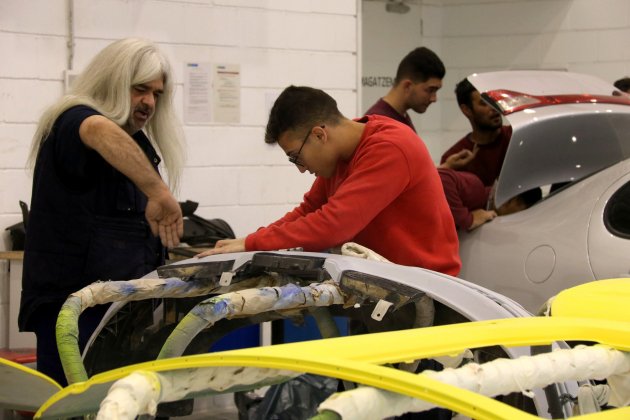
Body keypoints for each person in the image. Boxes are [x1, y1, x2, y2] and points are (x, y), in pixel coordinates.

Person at [19, 38, 186, 386]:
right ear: (112, 82)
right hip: (73, 312)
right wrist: (158, 191)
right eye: (140, 90)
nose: (149, 103)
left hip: (117, 309)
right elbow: (95, 127)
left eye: (156, 94)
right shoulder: (71, 122)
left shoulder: (135, 144)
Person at [198, 85, 460, 276]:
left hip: (428, 287)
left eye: (295, 157)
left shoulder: (390, 148)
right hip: (385, 283)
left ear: (319, 135)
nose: (301, 170)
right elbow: (309, 211)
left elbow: (333, 225)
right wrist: (250, 241)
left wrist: (252, 243)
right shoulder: (340, 156)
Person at [440, 78, 512, 186]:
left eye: (494, 100)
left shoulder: (515, 137)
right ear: (466, 110)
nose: (494, 108)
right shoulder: (454, 159)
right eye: (484, 103)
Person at [364, 47, 445, 132]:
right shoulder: (378, 123)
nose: (434, 98)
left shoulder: (401, 116)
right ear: (407, 86)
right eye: (430, 90)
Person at [437, 164, 541, 231]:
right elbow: (442, 178)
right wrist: (468, 220)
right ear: (511, 201)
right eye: (521, 212)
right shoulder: (476, 189)